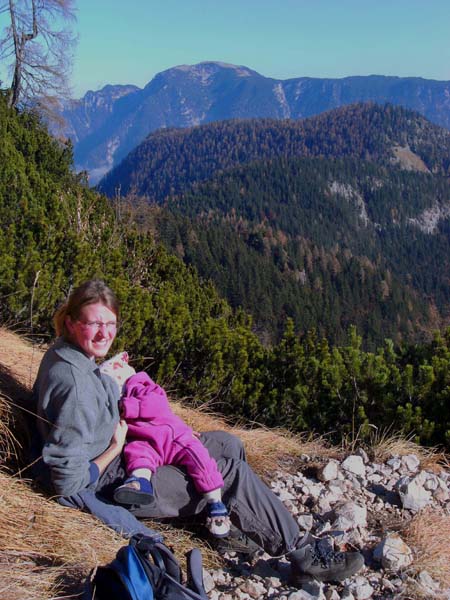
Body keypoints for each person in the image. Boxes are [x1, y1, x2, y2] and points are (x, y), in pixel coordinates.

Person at [32, 279, 364, 585]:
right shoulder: (74, 384)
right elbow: (68, 482)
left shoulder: (72, 353)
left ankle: (220, 527)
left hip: (130, 452)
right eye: (94, 324)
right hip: (117, 482)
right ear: (74, 322)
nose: (104, 333)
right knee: (229, 473)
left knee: (226, 443)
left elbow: (86, 414)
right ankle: (302, 552)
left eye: (110, 324)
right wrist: (114, 447)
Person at [99, 351, 231, 538]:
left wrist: (126, 406)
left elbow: (156, 405)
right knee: (137, 453)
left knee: (201, 462)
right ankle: (139, 482)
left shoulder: (143, 387)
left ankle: (215, 502)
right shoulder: (116, 400)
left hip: (174, 437)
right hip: (146, 440)